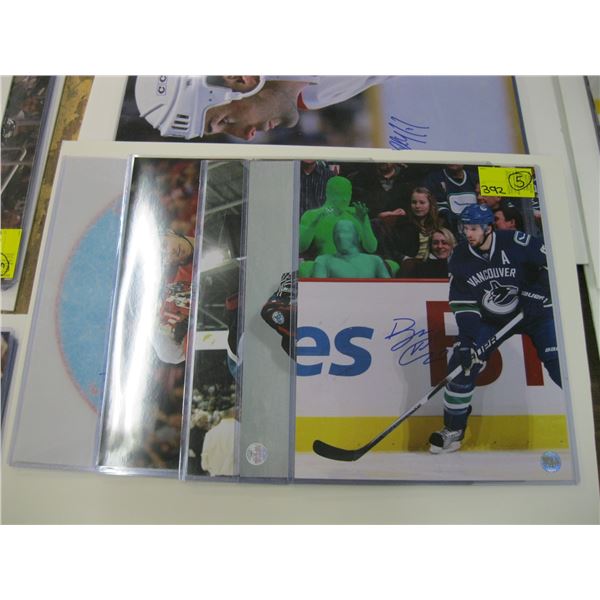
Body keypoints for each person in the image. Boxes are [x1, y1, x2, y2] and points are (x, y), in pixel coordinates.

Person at [429, 204, 561, 454]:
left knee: (558, 364)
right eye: (465, 228)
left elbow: (555, 264)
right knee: (461, 364)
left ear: (488, 228)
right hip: (492, 319)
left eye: (474, 228)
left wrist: (536, 293)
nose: (468, 233)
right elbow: (464, 303)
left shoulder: (516, 242)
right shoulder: (460, 257)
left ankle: (588, 414)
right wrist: (467, 340)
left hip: (537, 313)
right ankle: (453, 430)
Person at [299, 176, 378, 277]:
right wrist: (313, 224)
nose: (345, 199)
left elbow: (371, 248)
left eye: (348, 194)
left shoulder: (358, 214)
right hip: (326, 268)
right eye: (340, 194)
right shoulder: (312, 215)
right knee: (306, 268)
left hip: (355, 267)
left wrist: (364, 223)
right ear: (328, 194)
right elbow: (300, 247)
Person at [312, 220, 391, 279]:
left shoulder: (375, 261)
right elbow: (318, 290)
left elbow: (389, 289)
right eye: (336, 233)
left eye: (346, 232)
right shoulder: (323, 260)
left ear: (357, 237)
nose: (340, 236)